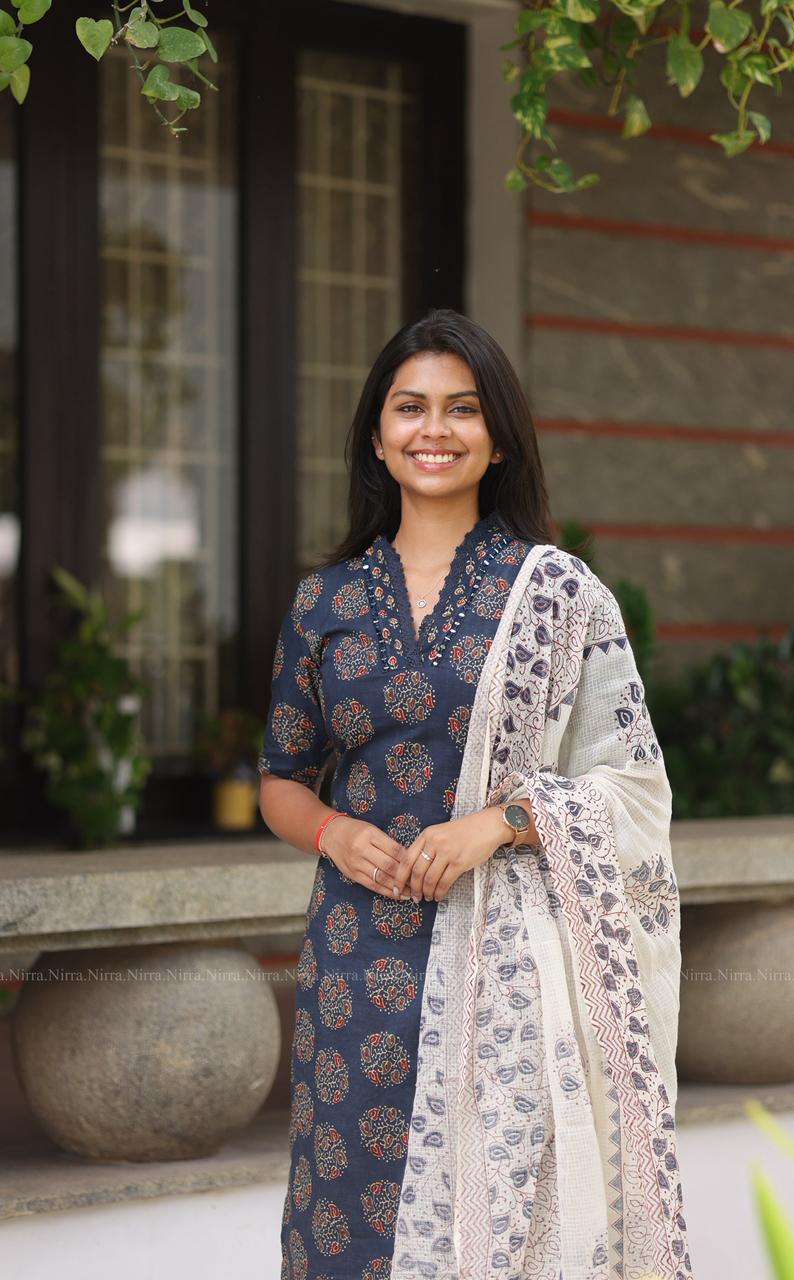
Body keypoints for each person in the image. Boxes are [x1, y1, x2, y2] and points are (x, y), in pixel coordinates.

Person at [258, 308, 693, 1280]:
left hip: (510, 969)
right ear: (377, 436)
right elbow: (280, 778)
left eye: (462, 408)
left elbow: (633, 785)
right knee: (345, 1224)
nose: (435, 429)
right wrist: (332, 833)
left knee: (492, 1231)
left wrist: (500, 823)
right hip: (355, 961)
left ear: (497, 439)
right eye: (409, 407)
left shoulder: (561, 595)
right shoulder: (324, 602)